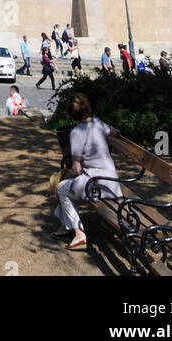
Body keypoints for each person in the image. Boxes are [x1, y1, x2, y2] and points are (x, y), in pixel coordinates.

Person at [53, 92, 120, 251]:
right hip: (112, 180)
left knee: (61, 188)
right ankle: (65, 227)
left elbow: (76, 169)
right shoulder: (98, 123)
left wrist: (64, 174)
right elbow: (116, 132)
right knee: (66, 187)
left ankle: (79, 233)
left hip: (96, 184)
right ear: (87, 107)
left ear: (72, 114)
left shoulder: (76, 132)